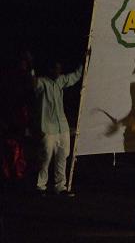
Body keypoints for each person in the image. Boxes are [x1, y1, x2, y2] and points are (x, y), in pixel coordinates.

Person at [32, 58, 84, 196]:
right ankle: (40, 186)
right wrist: (30, 66)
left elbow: (76, 76)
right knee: (45, 157)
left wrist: (84, 60)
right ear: (49, 69)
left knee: (63, 156)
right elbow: (31, 83)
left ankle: (60, 186)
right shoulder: (42, 82)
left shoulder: (60, 81)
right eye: (56, 68)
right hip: (47, 127)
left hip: (62, 126)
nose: (58, 71)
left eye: (59, 68)